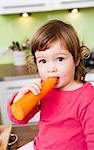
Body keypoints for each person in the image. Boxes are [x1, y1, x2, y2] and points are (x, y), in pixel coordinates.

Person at [7, 20, 94, 150]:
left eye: (59, 59)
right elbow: (19, 119)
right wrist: (19, 99)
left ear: (76, 59)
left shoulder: (87, 98)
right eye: (43, 61)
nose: (51, 68)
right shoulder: (44, 90)